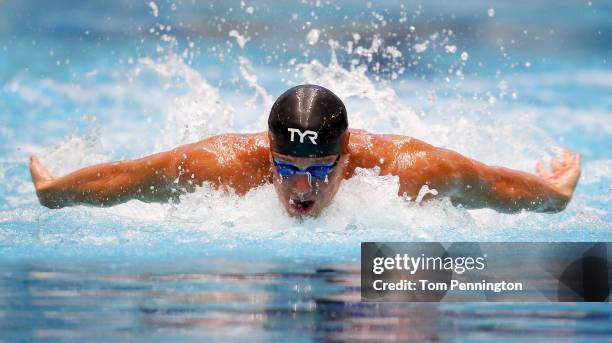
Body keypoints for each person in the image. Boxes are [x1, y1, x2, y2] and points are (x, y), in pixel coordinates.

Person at [29, 84, 581, 217]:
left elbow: (496, 186)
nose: (301, 190)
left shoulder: (409, 169)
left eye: (321, 169)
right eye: (287, 168)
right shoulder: (222, 166)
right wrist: (57, 193)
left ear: (347, 159)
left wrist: (553, 195)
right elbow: (127, 178)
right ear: (267, 151)